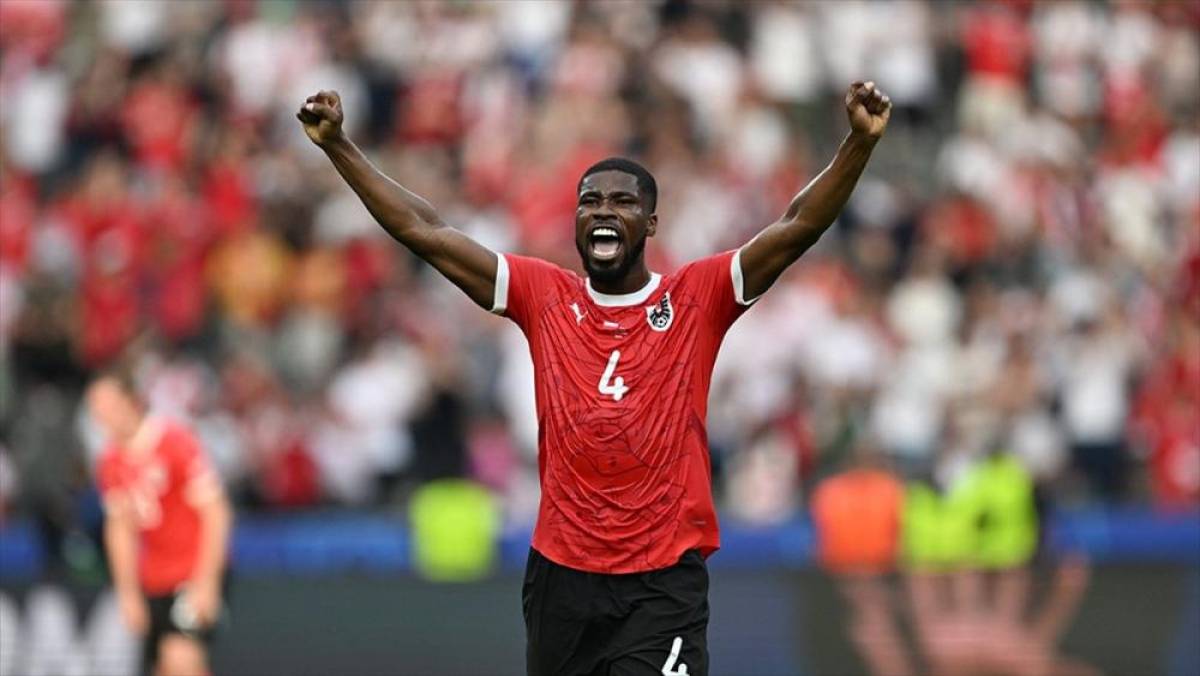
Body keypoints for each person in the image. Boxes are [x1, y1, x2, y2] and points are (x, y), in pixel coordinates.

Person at [298, 79, 890, 675]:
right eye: (590, 201)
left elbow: (797, 225)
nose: (604, 211)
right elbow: (426, 231)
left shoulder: (697, 296)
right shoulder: (543, 295)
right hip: (562, 581)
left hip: (661, 583)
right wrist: (339, 146)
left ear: (650, 223)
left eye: (622, 202)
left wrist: (858, 145)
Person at [87, 370, 232, 676]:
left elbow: (216, 513)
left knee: (181, 658)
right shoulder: (110, 462)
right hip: (154, 578)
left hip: (191, 570)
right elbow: (120, 529)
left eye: (108, 407)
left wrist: (207, 580)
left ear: (132, 402)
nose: (102, 418)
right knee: (164, 666)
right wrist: (127, 592)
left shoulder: (174, 442)